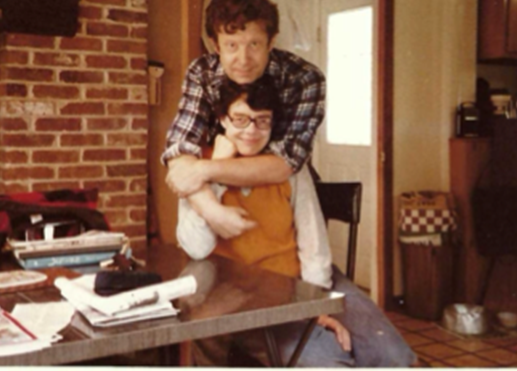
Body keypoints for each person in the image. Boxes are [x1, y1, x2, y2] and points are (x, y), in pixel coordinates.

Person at [176, 77, 417, 367]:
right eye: (240, 119)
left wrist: (315, 307)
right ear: (222, 120)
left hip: (308, 281)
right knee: (332, 361)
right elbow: (197, 248)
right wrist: (215, 171)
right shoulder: (195, 168)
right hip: (248, 301)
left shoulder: (285, 168)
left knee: (392, 355)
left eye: (262, 120)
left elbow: (313, 244)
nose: (251, 130)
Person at [162, 0, 325, 240]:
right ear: (216, 45)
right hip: (220, 200)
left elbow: (286, 162)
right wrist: (212, 212)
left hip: (286, 202)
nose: (243, 59)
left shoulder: (304, 78)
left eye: (254, 44)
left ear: (271, 42)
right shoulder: (201, 72)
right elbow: (180, 149)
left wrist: (204, 170)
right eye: (232, 45)